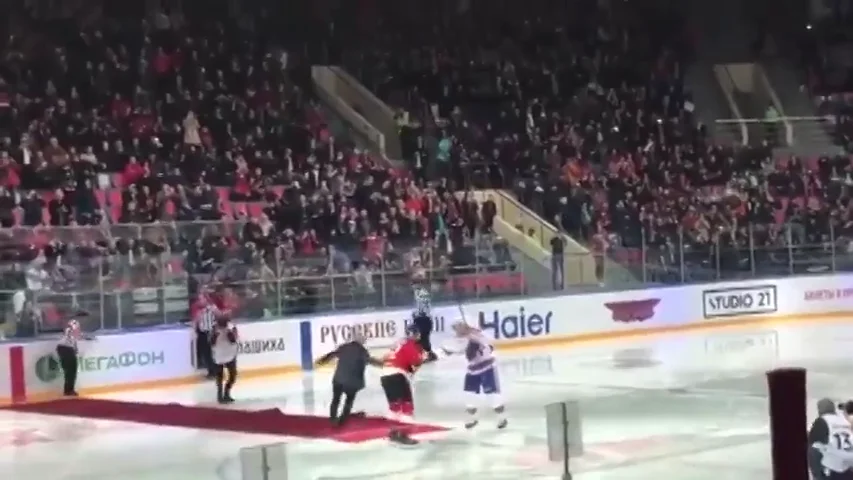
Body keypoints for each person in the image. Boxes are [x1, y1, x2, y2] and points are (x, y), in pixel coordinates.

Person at [441, 321, 507, 430]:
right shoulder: (464, 338)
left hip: (487, 368)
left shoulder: (477, 337)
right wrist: (451, 352)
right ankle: (472, 419)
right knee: (469, 396)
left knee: (492, 397)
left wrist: (469, 338)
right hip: (472, 370)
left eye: (458, 327)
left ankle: (501, 418)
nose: (456, 330)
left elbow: (479, 348)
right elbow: (460, 349)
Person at [315, 331, 385, 426]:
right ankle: (342, 421)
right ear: (361, 341)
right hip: (352, 382)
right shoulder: (362, 351)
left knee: (336, 399)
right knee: (349, 401)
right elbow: (370, 360)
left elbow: (332, 355)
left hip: (338, 379)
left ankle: (332, 419)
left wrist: (321, 361)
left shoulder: (344, 347)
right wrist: (381, 364)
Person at [380, 324, 425, 445]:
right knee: (406, 407)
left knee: (394, 407)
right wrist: (423, 358)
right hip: (397, 375)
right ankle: (404, 435)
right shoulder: (411, 344)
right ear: (416, 334)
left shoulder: (398, 343)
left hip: (385, 375)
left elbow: (384, 358)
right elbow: (415, 362)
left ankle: (392, 433)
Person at [809, 397, 853, 480]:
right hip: (849, 467)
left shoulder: (822, 420)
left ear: (820, 410)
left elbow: (812, 444)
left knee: (814, 447)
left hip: (833, 470)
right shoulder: (845, 420)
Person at [56, 317, 94, 396]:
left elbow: (75, 339)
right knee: (70, 370)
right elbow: (75, 335)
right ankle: (69, 390)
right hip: (65, 349)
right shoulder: (70, 329)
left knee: (71, 371)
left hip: (65, 349)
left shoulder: (71, 331)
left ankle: (69, 390)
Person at [211, 314, 239, 404]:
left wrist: (231, 332)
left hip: (224, 355)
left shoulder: (228, 329)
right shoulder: (216, 330)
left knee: (228, 376)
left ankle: (223, 394)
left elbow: (233, 340)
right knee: (225, 377)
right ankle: (222, 395)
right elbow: (212, 342)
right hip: (224, 356)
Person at [411, 285, 437, 363]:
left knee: (423, 338)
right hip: (423, 319)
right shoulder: (423, 294)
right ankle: (426, 354)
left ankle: (429, 354)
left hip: (423, 319)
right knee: (421, 339)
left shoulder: (421, 295)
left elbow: (421, 308)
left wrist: (415, 314)